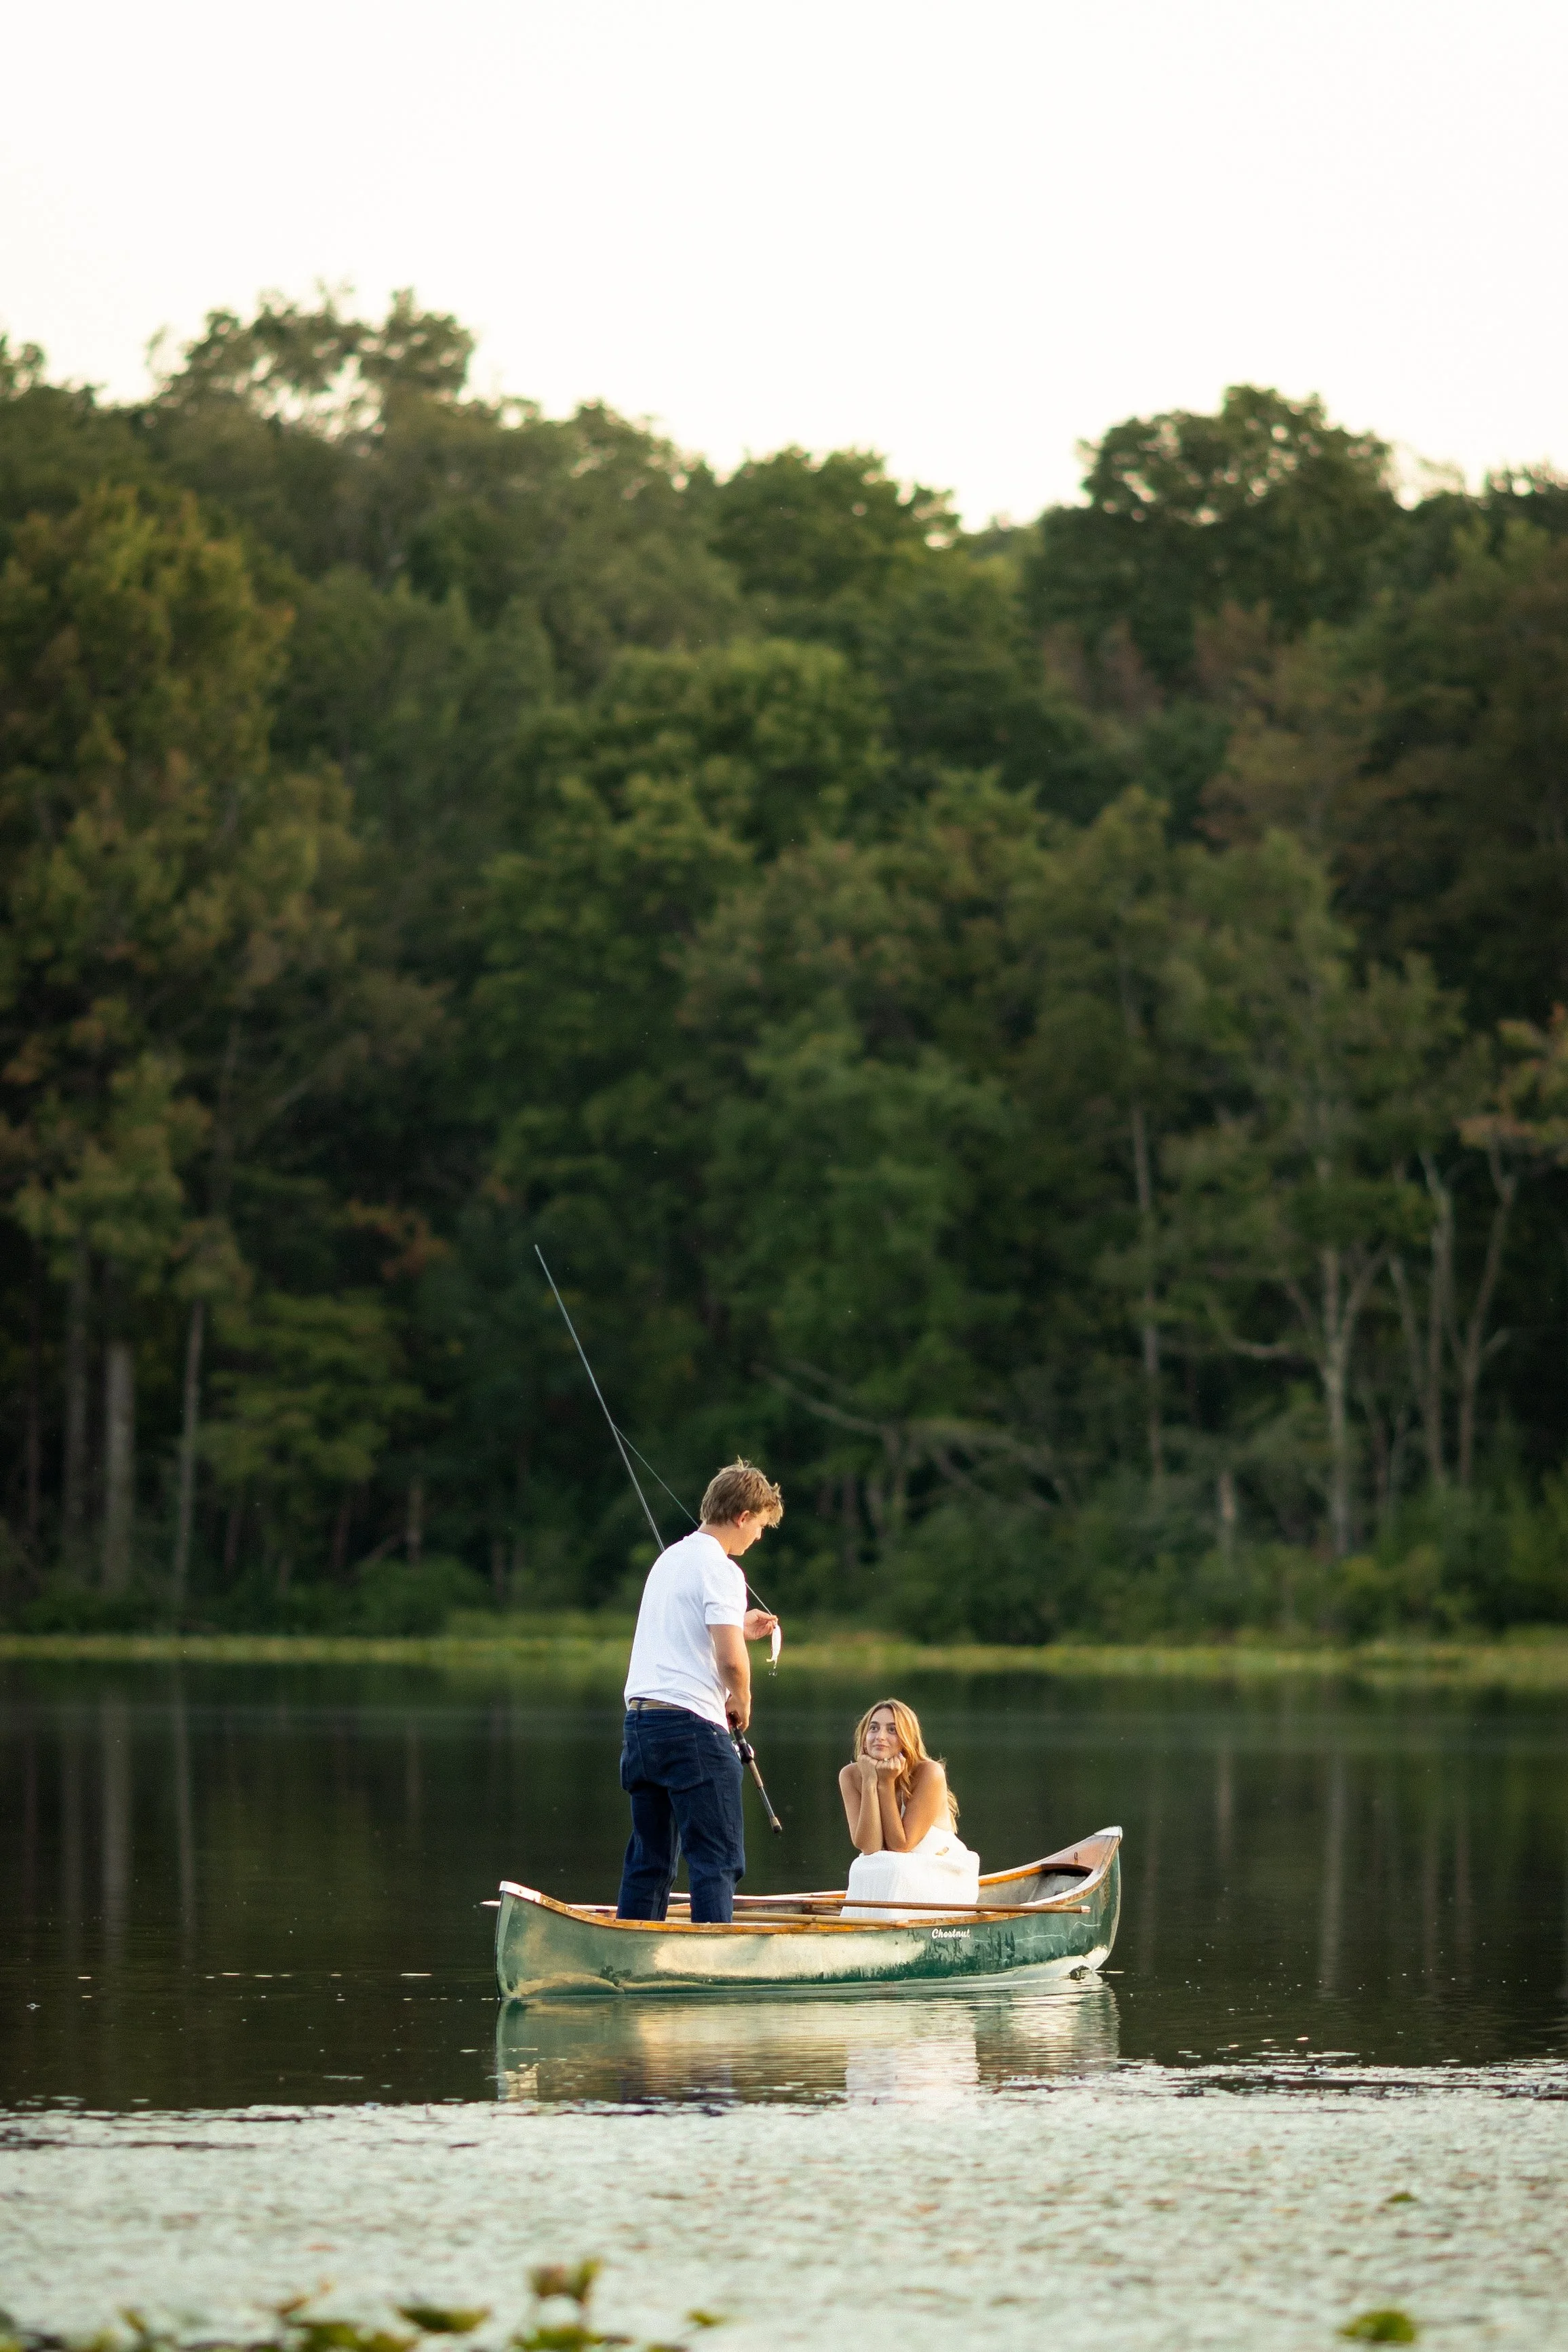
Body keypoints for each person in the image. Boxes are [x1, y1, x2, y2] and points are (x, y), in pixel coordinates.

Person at [616, 1459, 783, 1924]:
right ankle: (713, 1970)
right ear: (743, 1516)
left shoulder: (670, 1558)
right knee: (717, 1859)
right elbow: (730, 1661)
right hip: (691, 1730)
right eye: (761, 1525)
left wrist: (740, 1627)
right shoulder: (722, 1569)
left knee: (649, 1862)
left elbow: (690, 1632)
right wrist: (742, 1698)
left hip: (640, 1726)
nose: (759, 1537)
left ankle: (633, 1952)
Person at [837, 1697, 980, 1920]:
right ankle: (861, 1934)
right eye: (874, 1728)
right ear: (864, 1736)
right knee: (862, 1867)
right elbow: (870, 1848)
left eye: (892, 1730)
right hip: (896, 1876)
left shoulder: (929, 1773)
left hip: (940, 1872)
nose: (880, 1737)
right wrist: (869, 1781)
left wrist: (885, 1783)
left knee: (895, 1869)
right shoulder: (851, 1775)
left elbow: (901, 1845)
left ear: (906, 1738)